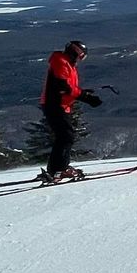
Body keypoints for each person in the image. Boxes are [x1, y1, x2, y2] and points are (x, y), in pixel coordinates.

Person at [38, 40, 103, 182]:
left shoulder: (67, 63)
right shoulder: (61, 62)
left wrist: (82, 93)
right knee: (66, 136)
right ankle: (58, 170)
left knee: (65, 136)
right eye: (81, 57)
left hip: (61, 104)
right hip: (55, 104)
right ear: (76, 53)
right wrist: (85, 97)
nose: (80, 60)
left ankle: (57, 169)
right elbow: (63, 87)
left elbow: (68, 87)